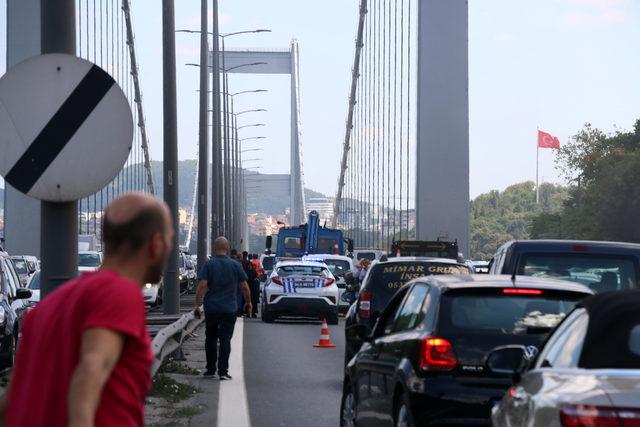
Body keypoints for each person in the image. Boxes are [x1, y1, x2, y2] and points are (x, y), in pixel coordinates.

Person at [0, 193, 173, 427]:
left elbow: (10, 401)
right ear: (156, 244)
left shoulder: (49, 305)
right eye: (170, 239)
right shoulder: (120, 293)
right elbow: (90, 373)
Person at [194, 237, 251, 379]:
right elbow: (244, 287)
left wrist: (197, 304)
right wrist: (248, 303)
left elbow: (202, 286)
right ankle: (223, 371)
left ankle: (210, 369)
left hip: (212, 308)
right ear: (228, 248)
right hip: (229, 309)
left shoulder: (209, 264)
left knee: (211, 338)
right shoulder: (235, 265)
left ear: (214, 248)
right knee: (225, 340)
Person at [241, 251, 260, 318]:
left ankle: (250, 312)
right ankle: (250, 312)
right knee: (250, 299)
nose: (249, 267)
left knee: (250, 299)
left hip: (250, 286)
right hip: (251, 286)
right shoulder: (249, 270)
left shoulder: (248, 270)